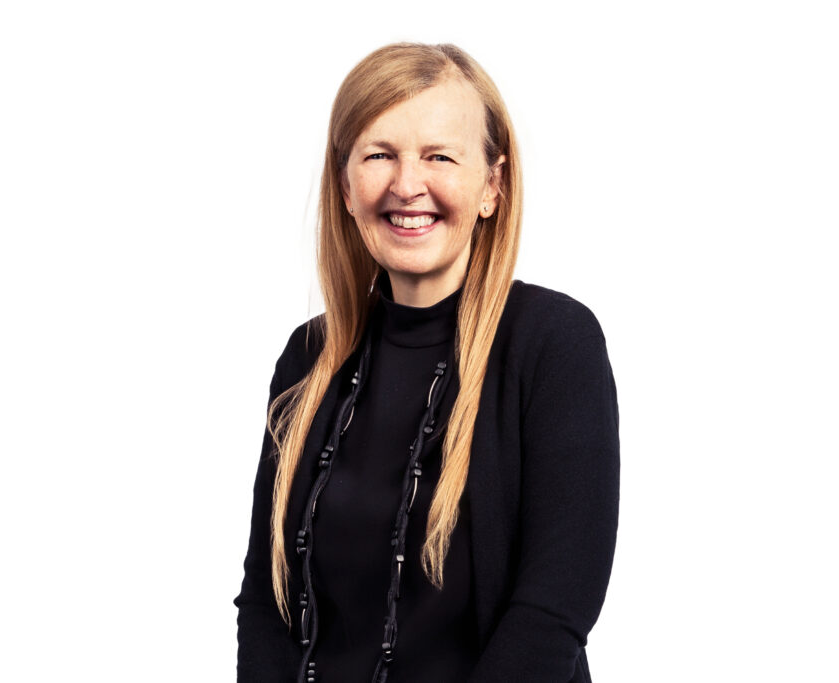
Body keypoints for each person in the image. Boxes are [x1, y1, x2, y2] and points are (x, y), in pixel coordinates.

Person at [234, 42, 620, 683]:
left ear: (492, 185)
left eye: (439, 156)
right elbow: (265, 603)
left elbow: (553, 612)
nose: (406, 185)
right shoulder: (307, 358)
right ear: (345, 186)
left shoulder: (553, 344)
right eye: (379, 155)